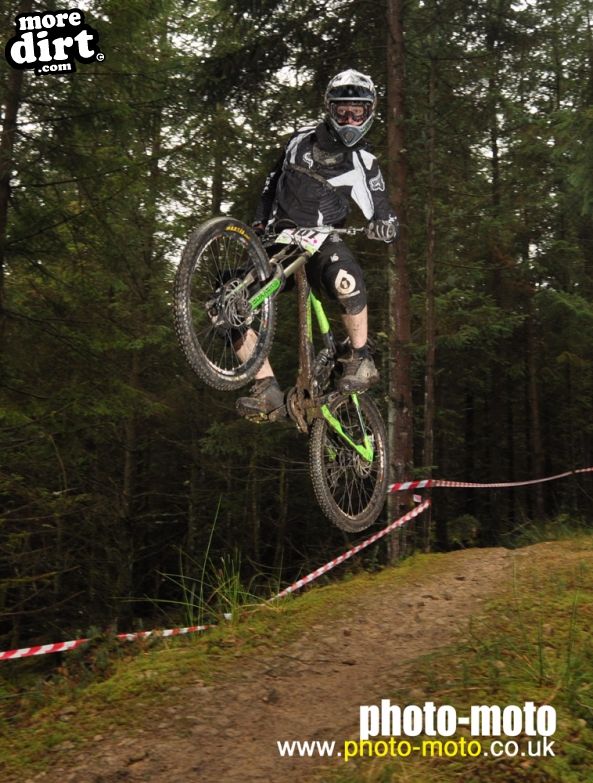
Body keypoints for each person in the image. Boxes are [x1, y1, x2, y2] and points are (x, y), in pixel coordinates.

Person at [236, 69, 398, 420]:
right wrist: (260, 220)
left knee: (346, 278)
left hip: (320, 241)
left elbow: (382, 209)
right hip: (277, 242)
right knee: (229, 306)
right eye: (343, 112)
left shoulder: (364, 162)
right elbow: (271, 183)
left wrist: (384, 225)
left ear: (370, 113)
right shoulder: (298, 141)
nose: (350, 120)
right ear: (329, 109)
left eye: (358, 112)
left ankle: (360, 357)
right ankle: (267, 390)